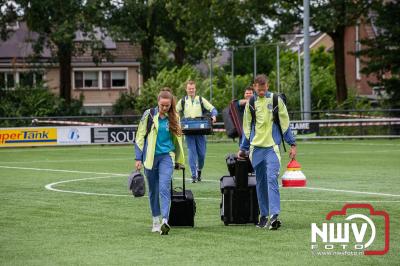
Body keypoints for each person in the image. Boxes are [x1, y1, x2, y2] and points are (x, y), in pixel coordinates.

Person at [238, 74, 297, 230]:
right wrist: (243, 148)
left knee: (271, 178)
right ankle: (263, 215)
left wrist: (292, 144)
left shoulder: (277, 101)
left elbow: (285, 123)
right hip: (255, 149)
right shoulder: (251, 103)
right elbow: (246, 127)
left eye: (264, 89)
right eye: (259, 89)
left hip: (272, 148)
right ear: (254, 87)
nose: (262, 91)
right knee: (261, 182)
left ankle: (274, 215)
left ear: (268, 86)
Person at [135, 88, 185, 235]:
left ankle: (165, 220)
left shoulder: (175, 116)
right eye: (162, 105)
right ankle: (155, 220)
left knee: (164, 188)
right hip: (149, 158)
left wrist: (178, 159)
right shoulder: (149, 114)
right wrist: (138, 157)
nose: (164, 108)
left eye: (167, 106)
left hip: (166, 157)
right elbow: (140, 135)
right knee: (153, 190)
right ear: (158, 102)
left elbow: (178, 140)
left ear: (171, 104)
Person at [176, 80, 218, 183]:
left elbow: (213, 109)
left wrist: (214, 116)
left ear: (195, 89)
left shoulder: (200, 99)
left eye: (192, 88)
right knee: (192, 153)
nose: (191, 90)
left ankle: (199, 170)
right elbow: (174, 111)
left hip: (200, 131)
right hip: (188, 131)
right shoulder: (182, 101)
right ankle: (193, 175)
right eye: (189, 88)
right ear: (186, 89)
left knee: (202, 155)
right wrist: (176, 121)